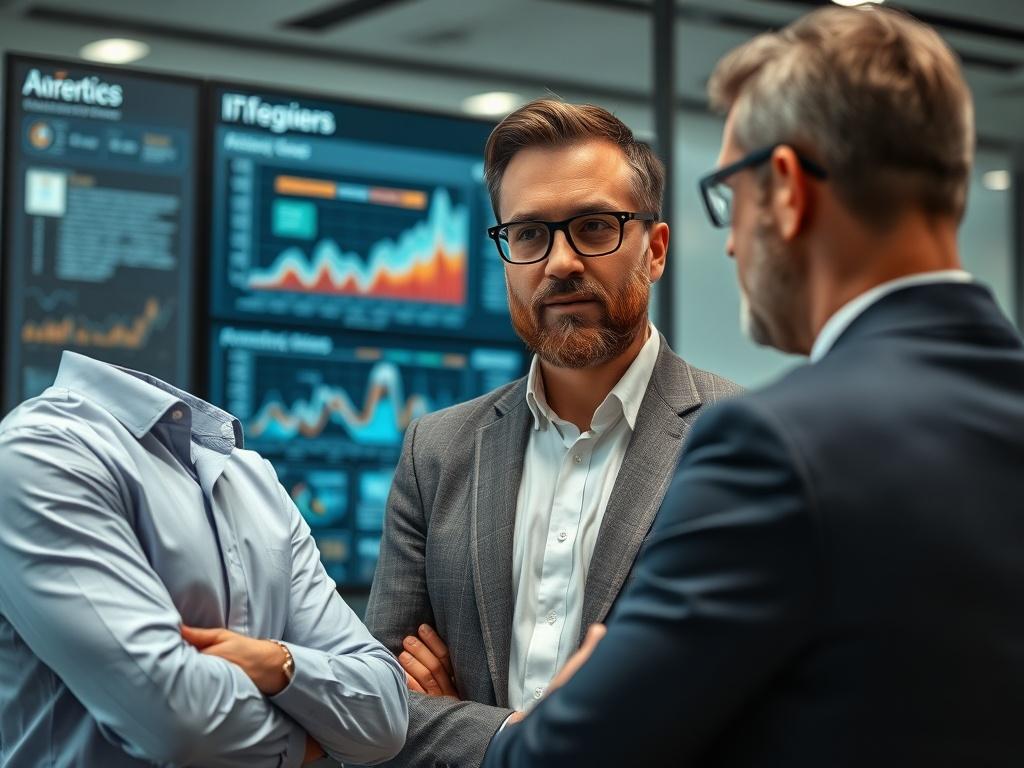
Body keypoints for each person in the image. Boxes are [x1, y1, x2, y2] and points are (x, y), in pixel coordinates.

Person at [481, 6, 1024, 767]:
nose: (732, 240)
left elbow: (567, 758)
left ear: (787, 190)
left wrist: (567, 708)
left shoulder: (773, 446)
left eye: (730, 192)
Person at [363, 99, 739, 766]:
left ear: (654, 250)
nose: (560, 261)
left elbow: (744, 710)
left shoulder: (743, 440)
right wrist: (509, 740)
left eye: (594, 227)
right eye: (530, 234)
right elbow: (378, 709)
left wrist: (465, 723)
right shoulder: (438, 451)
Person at [0, 351, 408, 767]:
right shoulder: (40, 451)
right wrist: (310, 739)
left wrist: (276, 663)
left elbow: (387, 714)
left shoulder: (252, 478)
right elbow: (178, 722)